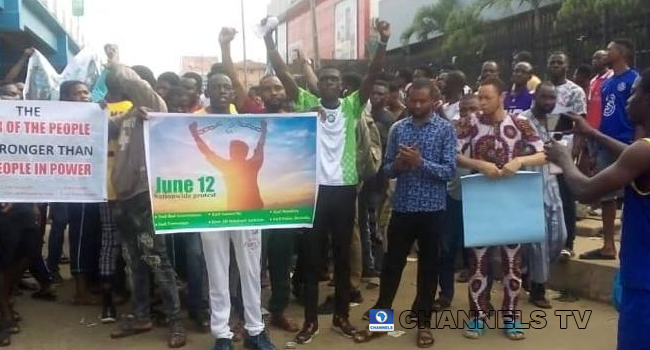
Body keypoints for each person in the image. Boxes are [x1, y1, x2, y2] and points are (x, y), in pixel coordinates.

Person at [266, 19, 391, 343]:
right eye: (324, 79)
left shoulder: (352, 107)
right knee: (311, 258)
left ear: (341, 86)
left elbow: (373, 75)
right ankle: (310, 321)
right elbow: (282, 74)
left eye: (334, 80)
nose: (329, 83)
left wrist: (383, 42)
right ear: (318, 84)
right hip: (314, 191)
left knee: (342, 255)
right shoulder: (307, 104)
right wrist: (268, 41)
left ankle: (341, 316)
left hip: (345, 191)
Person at [544, 67, 650, 350]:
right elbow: (633, 155)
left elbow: (585, 189)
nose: (628, 99)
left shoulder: (643, 152)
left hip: (644, 282)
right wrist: (593, 133)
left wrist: (564, 159)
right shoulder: (642, 151)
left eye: (636, 92)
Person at [354, 78, 456, 348]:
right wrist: (398, 166)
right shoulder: (399, 128)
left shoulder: (445, 130)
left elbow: (449, 172)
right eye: (413, 100)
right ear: (407, 99)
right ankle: (380, 323)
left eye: (423, 101)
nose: (417, 105)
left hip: (433, 211)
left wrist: (419, 163)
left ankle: (423, 324)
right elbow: (385, 169)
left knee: (428, 270)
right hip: (403, 209)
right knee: (391, 268)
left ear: (434, 101)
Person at [192, 28, 276, 350]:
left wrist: (268, 129)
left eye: (228, 86)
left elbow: (262, 149)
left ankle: (255, 330)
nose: (224, 91)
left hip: (248, 212)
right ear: (208, 91)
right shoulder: (194, 120)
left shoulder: (241, 119)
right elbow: (197, 154)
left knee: (251, 271)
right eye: (218, 87)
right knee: (217, 272)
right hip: (211, 209)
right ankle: (222, 335)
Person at [456, 77, 545, 341]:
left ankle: (511, 317)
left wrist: (519, 160)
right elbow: (453, 153)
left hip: (512, 200)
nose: (481, 103)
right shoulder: (470, 123)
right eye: (479, 97)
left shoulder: (519, 123)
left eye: (487, 98)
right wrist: (479, 164)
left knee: (512, 262)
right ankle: (478, 316)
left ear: (501, 97)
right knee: (478, 261)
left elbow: (543, 153)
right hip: (481, 198)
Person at [105, 62, 186, 348]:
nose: (119, 88)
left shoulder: (154, 106)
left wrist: (116, 64)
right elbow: (103, 130)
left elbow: (134, 83)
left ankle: (176, 320)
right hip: (123, 196)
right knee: (133, 261)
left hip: (144, 195)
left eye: (124, 85)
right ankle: (141, 315)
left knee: (157, 260)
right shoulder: (130, 114)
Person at [579, 39, 639, 261]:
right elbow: (604, 115)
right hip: (605, 142)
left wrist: (637, 142)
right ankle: (607, 246)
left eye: (610, 49)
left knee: (634, 194)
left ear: (622, 52)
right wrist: (594, 146)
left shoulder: (634, 79)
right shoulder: (606, 84)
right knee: (606, 195)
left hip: (628, 144)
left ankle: (631, 244)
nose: (606, 52)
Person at [519, 82, 568, 308]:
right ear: (535, 96)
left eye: (552, 98)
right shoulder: (521, 120)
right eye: (544, 97)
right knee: (538, 238)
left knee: (560, 236)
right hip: (529, 184)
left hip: (551, 182)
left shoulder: (556, 120)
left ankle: (530, 271)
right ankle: (538, 288)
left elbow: (562, 148)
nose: (548, 102)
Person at [58, 80, 103, 306]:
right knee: (81, 236)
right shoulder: (61, 121)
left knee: (95, 235)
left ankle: (90, 283)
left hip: (96, 185)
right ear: (66, 98)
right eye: (79, 93)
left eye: (87, 92)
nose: (85, 96)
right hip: (78, 187)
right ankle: (80, 291)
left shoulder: (94, 117)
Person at [546, 51, 587, 260]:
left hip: (565, 144)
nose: (555, 65)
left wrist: (575, 151)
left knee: (565, 195)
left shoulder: (575, 91)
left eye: (559, 62)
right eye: (552, 62)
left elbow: (580, 124)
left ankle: (568, 243)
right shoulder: (543, 89)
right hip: (544, 145)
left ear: (566, 66)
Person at [449, 95, 481, 285]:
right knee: (455, 233)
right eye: (463, 110)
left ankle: (473, 269)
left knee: (475, 236)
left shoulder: (488, 132)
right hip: (455, 191)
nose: (468, 115)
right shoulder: (453, 131)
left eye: (473, 109)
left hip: (479, 193)